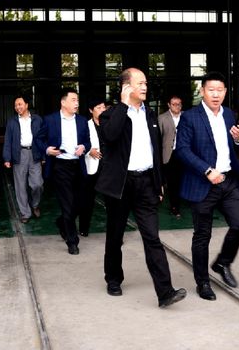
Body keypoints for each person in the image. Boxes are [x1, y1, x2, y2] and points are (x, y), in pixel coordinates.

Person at [96, 68, 187, 308]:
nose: (145, 87)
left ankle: (165, 292)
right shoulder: (110, 115)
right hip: (121, 185)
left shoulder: (150, 115)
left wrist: (159, 183)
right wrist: (124, 105)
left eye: (146, 83)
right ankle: (113, 278)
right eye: (140, 83)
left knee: (152, 237)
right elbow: (110, 136)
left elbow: (155, 152)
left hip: (146, 183)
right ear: (126, 87)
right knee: (115, 236)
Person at [174, 71, 239, 301]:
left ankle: (222, 263)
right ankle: (203, 282)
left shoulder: (229, 115)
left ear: (225, 92)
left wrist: (238, 139)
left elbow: (235, 147)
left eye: (220, 90)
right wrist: (207, 170)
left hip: (228, 181)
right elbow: (182, 150)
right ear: (202, 91)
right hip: (202, 183)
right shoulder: (190, 117)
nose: (216, 94)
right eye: (211, 90)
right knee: (202, 236)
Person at [42, 88, 90, 255]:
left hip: (78, 166)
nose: (77, 103)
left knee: (81, 203)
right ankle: (72, 241)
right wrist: (47, 149)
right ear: (63, 102)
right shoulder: (50, 120)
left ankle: (62, 222)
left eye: (77, 100)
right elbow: (39, 139)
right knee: (68, 204)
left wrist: (84, 147)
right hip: (60, 167)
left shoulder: (82, 121)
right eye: (73, 100)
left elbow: (88, 142)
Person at [3, 95, 46, 223]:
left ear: (27, 105)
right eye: (16, 105)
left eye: (20, 104)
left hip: (35, 153)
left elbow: (43, 138)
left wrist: (44, 156)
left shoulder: (37, 119)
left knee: (37, 184)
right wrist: (7, 158)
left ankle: (35, 204)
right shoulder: (12, 121)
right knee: (20, 186)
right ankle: (25, 213)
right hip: (19, 154)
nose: (17, 107)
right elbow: (8, 140)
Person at [79, 97, 106, 237]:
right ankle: (83, 228)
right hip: (92, 166)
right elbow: (79, 142)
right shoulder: (85, 125)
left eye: (103, 107)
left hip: (108, 167)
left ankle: (115, 233)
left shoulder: (109, 124)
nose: (102, 110)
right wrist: (90, 151)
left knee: (112, 201)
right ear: (91, 110)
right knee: (87, 200)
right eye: (98, 108)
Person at [158, 95, 184, 218]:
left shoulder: (186, 116)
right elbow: (158, 139)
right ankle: (175, 206)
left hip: (184, 153)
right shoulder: (162, 118)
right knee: (173, 182)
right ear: (169, 105)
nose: (177, 106)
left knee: (183, 181)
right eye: (174, 104)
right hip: (169, 154)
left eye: (179, 104)